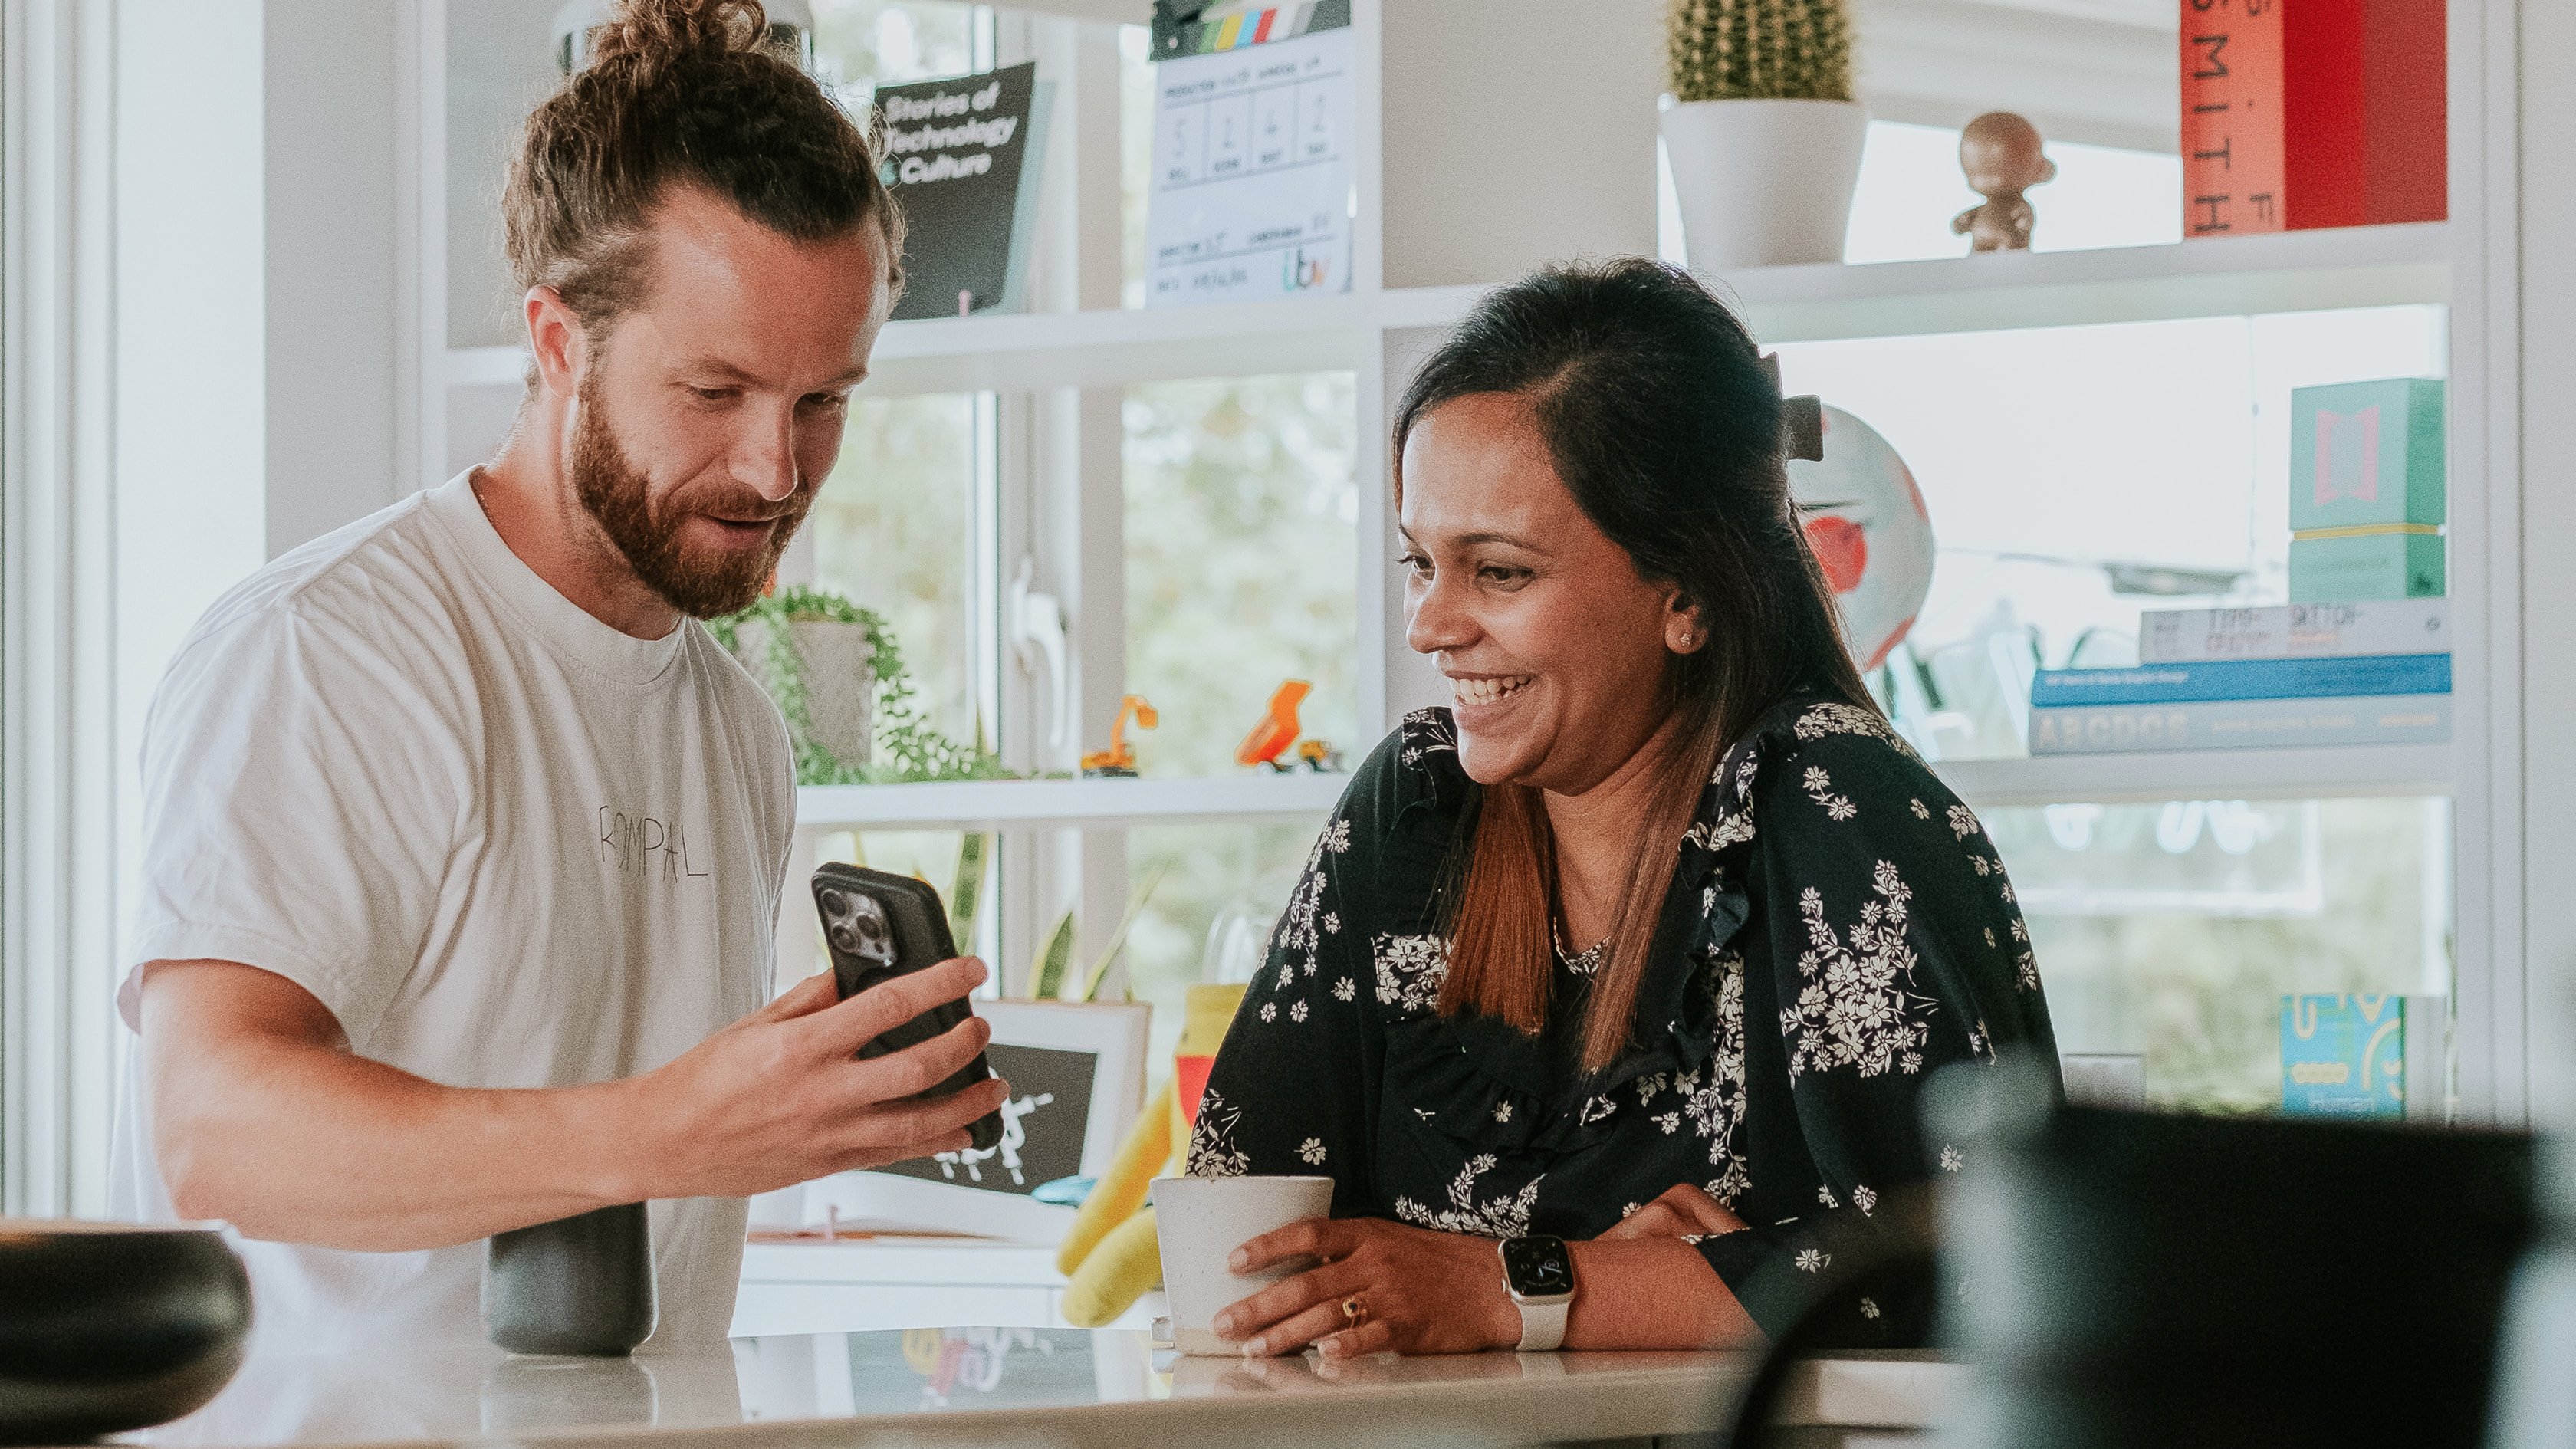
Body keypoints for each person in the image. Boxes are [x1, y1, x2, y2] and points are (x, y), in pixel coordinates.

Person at [110, 0, 1007, 1353]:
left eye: (826, 401)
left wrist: (792, 1109)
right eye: (715, 390)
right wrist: (674, 1128)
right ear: (556, 342)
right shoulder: (335, 654)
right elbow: (213, 1127)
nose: (777, 470)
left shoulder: (736, 723)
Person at [1189, 259, 2060, 1358]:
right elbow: (1241, 1244)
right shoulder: (1412, 809)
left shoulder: (1834, 807)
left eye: (1498, 572)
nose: (1430, 624)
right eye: (1421, 562)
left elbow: (1986, 1264)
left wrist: (1543, 1288)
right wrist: (1631, 1284)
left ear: (1685, 593)